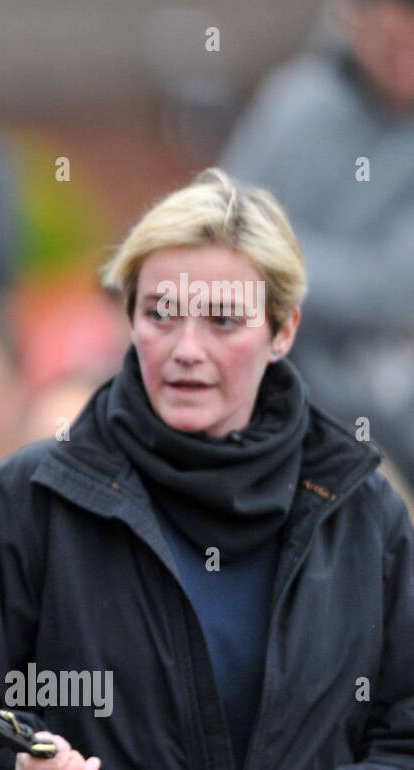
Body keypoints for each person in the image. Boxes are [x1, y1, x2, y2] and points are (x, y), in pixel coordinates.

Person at [0, 168, 414, 770]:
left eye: (223, 319)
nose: (187, 348)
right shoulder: (34, 500)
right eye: (162, 313)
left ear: (283, 331)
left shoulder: (363, 513)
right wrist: (15, 767)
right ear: (130, 318)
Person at [220, 0, 414, 491]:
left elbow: (387, 291)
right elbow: (222, 225)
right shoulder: (295, 102)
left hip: (386, 403)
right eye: (395, 20)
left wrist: (266, 262)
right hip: (267, 369)